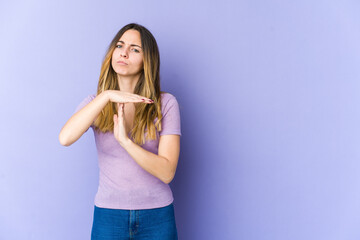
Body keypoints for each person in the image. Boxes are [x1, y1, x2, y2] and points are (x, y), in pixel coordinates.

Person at [59, 23, 181, 239]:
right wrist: (106, 96)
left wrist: (125, 141)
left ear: (147, 60)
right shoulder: (95, 104)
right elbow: (65, 138)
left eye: (135, 49)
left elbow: (167, 172)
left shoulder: (165, 103)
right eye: (119, 45)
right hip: (109, 216)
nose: (124, 53)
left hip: (158, 216)